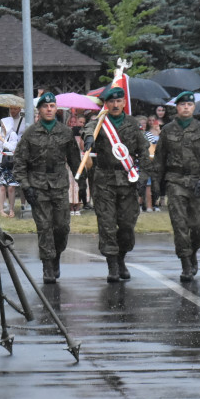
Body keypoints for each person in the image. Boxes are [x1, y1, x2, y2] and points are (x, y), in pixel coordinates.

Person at [82, 87, 150, 282]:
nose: (115, 105)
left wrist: (143, 176)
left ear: (123, 103)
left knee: (127, 224)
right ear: (106, 103)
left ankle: (121, 257)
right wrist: (88, 138)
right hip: (104, 181)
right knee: (107, 224)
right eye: (111, 102)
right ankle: (112, 264)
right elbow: (88, 128)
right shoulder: (100, 122)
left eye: (118, 101)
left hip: (127, 180)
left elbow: (144, 151)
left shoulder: (132, 124)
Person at [13, 93, 80, 283]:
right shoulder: (30, 133)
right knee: (44, 227)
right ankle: (48, 266)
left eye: (52, 106)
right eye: (45, 106)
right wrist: (26, 187)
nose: (49, 109)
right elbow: (19, 163)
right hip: (38, 185)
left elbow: (76, 162)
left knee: (61, 227)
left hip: (59, 185)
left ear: (56, 108)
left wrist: (82, 184)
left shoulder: (66, 132)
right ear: (39, 110)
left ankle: (56, 255)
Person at [152, 92, 200, 281]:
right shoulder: (168, 130)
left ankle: (192, 251)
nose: (186, 107)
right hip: (176, 181)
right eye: (183, 104)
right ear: (177, 108)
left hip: (197, 181)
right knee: (180, 225)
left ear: (194, 107)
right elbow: (159, 159)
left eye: (190, 104)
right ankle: (186, 264)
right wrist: (157, 184)